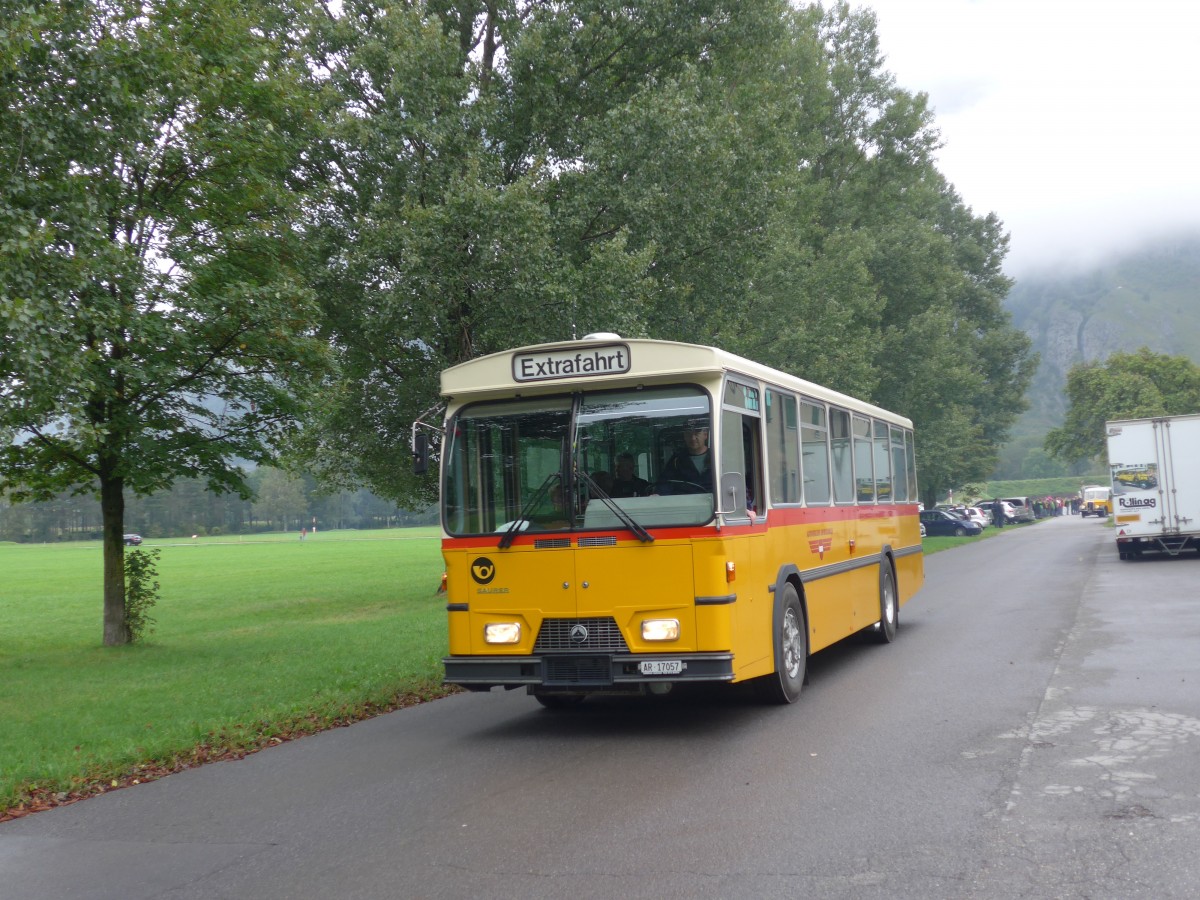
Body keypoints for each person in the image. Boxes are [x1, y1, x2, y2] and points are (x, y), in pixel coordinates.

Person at [656, 424, 713, 494]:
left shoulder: (717, 458)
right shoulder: (676, 461)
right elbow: (664, 484)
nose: (693, 438)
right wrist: (658, 494)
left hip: (714, 502)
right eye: (688, 434)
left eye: (697, 433)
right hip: (685, 503)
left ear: (705, 435)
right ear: (684, 437)